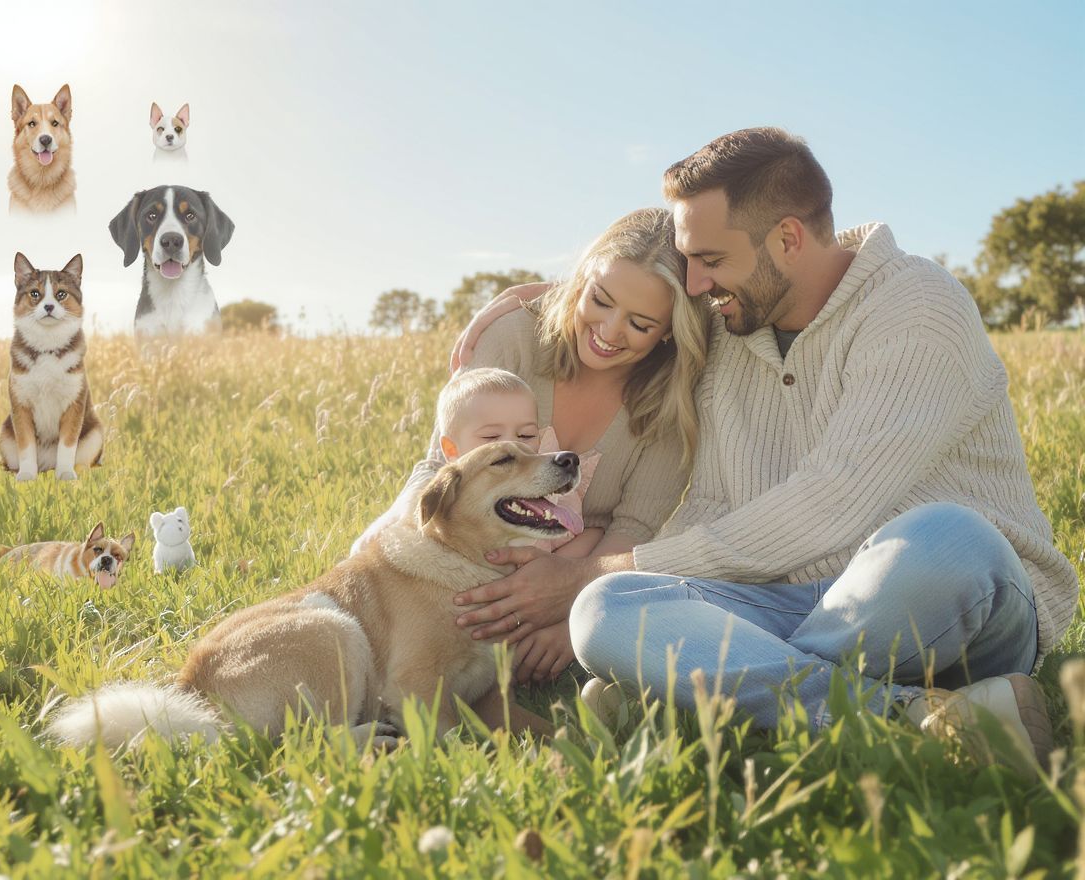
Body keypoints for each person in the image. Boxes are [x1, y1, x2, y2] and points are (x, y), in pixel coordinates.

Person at [451, 128, 1078, 769]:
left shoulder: (917, 308)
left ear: (787, 239)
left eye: (711, 259)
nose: (696, 283)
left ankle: (694, 692)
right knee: (607, 610)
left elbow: (834, 502)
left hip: (940, 592)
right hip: (781, 603)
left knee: (943, 536)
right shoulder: (729, 328)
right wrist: (535, 300)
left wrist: (589, 572)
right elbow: (640, 306)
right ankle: (916, 718)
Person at [365, 206, 712, 683]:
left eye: (640, 324)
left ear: (670, 329)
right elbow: (443, 465)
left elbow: (636, 527)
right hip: (467, 560)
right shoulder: (513, 338)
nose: (609, 331)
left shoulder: (670, 404)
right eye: (600, 300)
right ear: (582, 281)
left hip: (587, 568)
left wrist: (572, 610)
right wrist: (387, 530)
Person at [354, 366, 601, 555]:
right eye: (491, 438)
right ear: (451, 450)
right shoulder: (439, 510)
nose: (513, 445)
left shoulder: (550, 496)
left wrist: (555, 568)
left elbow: (589, 535)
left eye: (526, 435)